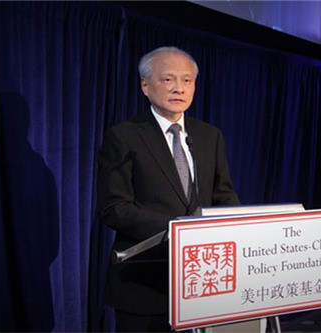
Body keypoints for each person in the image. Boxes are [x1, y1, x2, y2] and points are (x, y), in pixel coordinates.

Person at [97, 46, 240, 332]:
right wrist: (178, 229)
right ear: (145, 85)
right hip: (145, 281)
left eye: (187, 81)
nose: (179, 88)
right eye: (168, 80)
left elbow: (223, 195)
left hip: (203, 278)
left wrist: (236, 225)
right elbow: (114, 207)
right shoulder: (124, 136)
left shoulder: (209, 135)